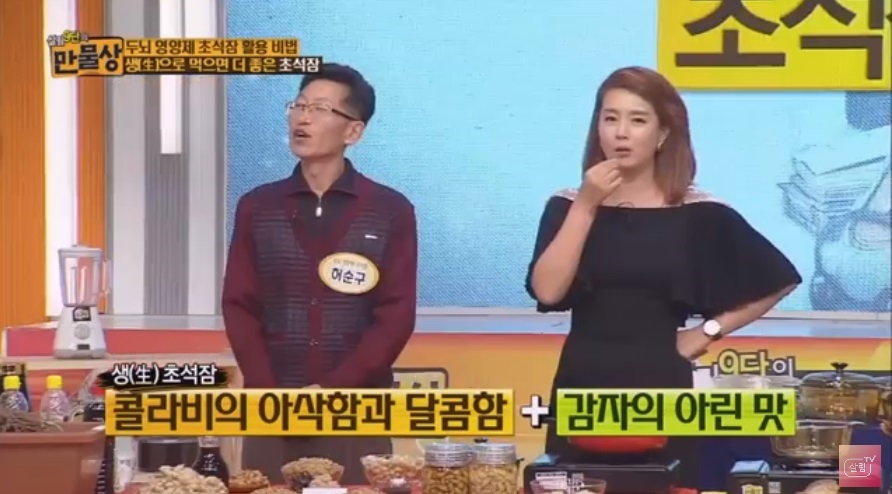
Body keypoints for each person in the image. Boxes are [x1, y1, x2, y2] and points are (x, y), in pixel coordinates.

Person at [525, 66, 802, 489]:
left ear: (663, 134)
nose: (621, 132)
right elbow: (547, 290)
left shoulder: (697, 211)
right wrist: (586, 204)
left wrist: (707, 331)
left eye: (637, 120)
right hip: (582, 380)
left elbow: (779, 279)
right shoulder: (567, 205)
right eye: (610, 118)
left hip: (660, 380)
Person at [222, 63, 418, 484]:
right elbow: (239, 304)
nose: (303, 118)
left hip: (355, 409)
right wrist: (269, 392)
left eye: (320, 109)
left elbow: (396, 315)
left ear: (354, 132)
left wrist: (332, 391)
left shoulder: (390, 210)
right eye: (299, 105)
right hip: (273, 408)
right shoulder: (258, 206)